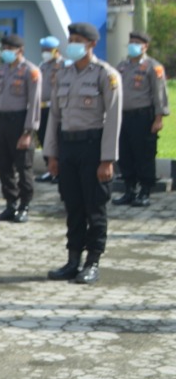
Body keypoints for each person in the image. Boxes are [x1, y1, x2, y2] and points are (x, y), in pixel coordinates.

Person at [44, 22, 122, 284]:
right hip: (68, 148)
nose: (72, 44)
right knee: (73, 206)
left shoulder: (105, 75)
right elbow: (54, 116)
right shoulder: (63, 75)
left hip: (94, 147)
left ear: (91, 44)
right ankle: (73, 260)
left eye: (78, 39)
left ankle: (93, 262)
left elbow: (113, 119)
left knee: (95, 208)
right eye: (71, 39)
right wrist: (52, 155)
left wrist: (107, 159)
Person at [0, 33, 40, 222]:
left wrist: (28, 132)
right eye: (5, 49)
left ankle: (25, 205)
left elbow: (34, 104)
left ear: (20, 51)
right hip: (3, 122)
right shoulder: (1, 72)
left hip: (20, 123)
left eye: (10, 49)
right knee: (4, 166)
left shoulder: (30, 72)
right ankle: (11, 204)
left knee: (23, 167)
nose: (6, 52)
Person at [113, 30, 168, 206]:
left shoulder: (154, 67)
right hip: (123, 117)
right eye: (131, 42)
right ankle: (129, 190)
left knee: (143, 154)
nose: (133, 45)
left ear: (145, 46)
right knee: (125, 154)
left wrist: (158, 119)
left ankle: (144, 192)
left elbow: (159, 95)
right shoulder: (122, 66)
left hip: (143, 117)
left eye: (137, 42)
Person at [36, 36, 61, 182]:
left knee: (55, 139)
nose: (45, 52)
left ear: (56, 50)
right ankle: (49, 169)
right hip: (42, 108)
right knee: (43, 138)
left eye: (47, 50)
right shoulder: (43, 66)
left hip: (55, 109)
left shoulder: (63, 65)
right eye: (43, 50)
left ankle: (59, 171)